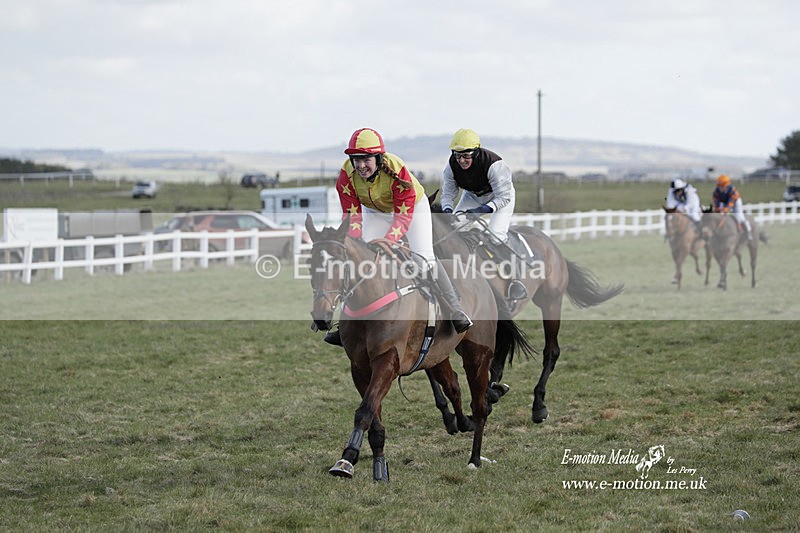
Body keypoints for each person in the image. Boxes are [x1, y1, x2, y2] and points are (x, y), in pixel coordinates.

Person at [323, 128, 473, 345]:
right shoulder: (346, 176)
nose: (360, 165)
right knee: (358, 259)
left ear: (378, 158)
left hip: (411, 209)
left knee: (423, 259)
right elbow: (352, 217)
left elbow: (402, 218)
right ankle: (347, 323)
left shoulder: (396, 169)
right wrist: (356, 244)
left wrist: (389, 241)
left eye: (366, 159)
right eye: (356, 159)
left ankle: (456, 310)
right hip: (375, 212)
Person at [440, 128, 527, 301]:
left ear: (477, 152)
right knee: (453, 227)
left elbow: (504, 197)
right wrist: (448, 211)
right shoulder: (451, 166)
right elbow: (448, 194)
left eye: (466, 156)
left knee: (496, 234)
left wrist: (481, 211)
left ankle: (515, 280)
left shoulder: (495, 165)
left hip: (501, 197)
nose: (462, 160)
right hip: (472, 195)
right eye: (458, 156)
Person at [712, 174, 751, 240]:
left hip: (735, 202)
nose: (720, 188)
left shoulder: (732, 190)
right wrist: (717, 209)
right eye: (719, 186)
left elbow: (731, 202)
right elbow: (716, 201)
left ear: (726, 185)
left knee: (739, 217)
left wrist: (726, 209)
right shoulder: (716, 191)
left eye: (721, 186)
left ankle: (748, 233)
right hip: (724, 202)